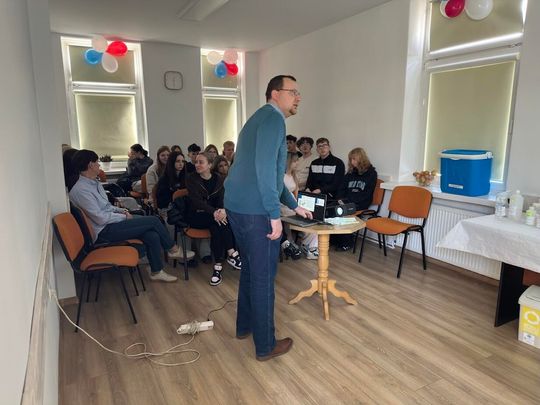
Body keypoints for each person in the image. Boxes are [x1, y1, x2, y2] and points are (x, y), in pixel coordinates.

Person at [225, 75, 311, 361]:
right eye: (293, 92)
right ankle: (265, 345)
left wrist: (294, 205)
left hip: (237, 207)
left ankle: (245, 327)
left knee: (250, 270)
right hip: (255, 211)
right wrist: (275, 215)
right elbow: (265, 170)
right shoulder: (274, 120)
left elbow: (272, 175)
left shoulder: (258, 118)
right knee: (263, 277)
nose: (298, 97)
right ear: (275, 93)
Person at [69, 149, 193, 282]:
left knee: (151, 234)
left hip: (111, 223)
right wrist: (123, 217)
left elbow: (106, 206)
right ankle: (173, 249)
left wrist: (121, 211)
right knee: (154, 221)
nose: (99, 165)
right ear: (90, 165)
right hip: (103, 231)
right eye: (97, 162)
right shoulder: (81, 190)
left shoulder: (94, 183)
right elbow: (100, 218)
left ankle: (156, 271)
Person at [187, 152, 241, 286]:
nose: (197, 164)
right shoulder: (191, 179)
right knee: (220, 222)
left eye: (201, 162)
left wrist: (221, 210)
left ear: (210, 165)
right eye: (196, 162)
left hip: (214, 216)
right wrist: (216, 212)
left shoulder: (219, 179)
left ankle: (218, 267)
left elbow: (222, 200)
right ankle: (232, 253)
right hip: (196, 215)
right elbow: (197, 202)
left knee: (217, 227)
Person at [334, 147, 378, 251]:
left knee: (344, 211)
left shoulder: (371, 173)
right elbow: (341, 188)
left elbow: (367, 194)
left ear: (361, 159)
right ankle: (336, 239)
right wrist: (340, 199)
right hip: (348, 201)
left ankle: (347, 243)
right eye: (350, 159)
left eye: (354, 159)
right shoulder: (350, 173)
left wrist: (348, 201)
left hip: (362, 202)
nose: (352, 162)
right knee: (333, 208)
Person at [279, 152, 315, 260]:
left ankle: (307, 246)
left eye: (297, 161)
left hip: (293, 205)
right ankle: (290, 244)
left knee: (309, 220)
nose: (297, 163)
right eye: (295, 161)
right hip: (282, 206)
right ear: (288, 162)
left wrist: (300, 206)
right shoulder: (280, 176)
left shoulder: (294, 176)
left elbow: (296, 194)